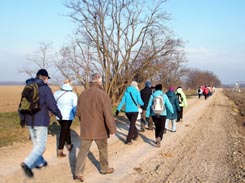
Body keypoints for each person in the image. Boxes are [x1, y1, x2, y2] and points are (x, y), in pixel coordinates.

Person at [19, 69, 62, 178]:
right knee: (41, 146)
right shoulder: (45, 89)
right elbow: (52, 104)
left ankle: (39, 162)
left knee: (36, 144)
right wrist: (59, 114)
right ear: (44, 77)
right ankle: (27, 163)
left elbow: (22, 105)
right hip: (41, 121)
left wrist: (23, 119)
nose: (47, 80)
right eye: (47, 78)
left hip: (29, 121)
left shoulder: (28, 87)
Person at [75, 73, 116, 182]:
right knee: (103, 149)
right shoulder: (103, 95)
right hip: (100, 128)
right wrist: (112, 128)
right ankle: (104, 168)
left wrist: (83, 121)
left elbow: (78, 113)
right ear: (98, 82)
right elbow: (108, 114)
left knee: (83, 152)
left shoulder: (82, 95)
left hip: (86, 128)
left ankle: (79, 173)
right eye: (101, 81)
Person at [54, 79, 78, 158]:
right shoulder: (73, 95)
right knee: (64, 131)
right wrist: (76, 114)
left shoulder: (56, 93)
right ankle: (60, 150)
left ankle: (69, 145)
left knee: (66, 129)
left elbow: (53, 104)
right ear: (70, 85)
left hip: (59, 116)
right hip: (68, 116)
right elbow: (75, 107)